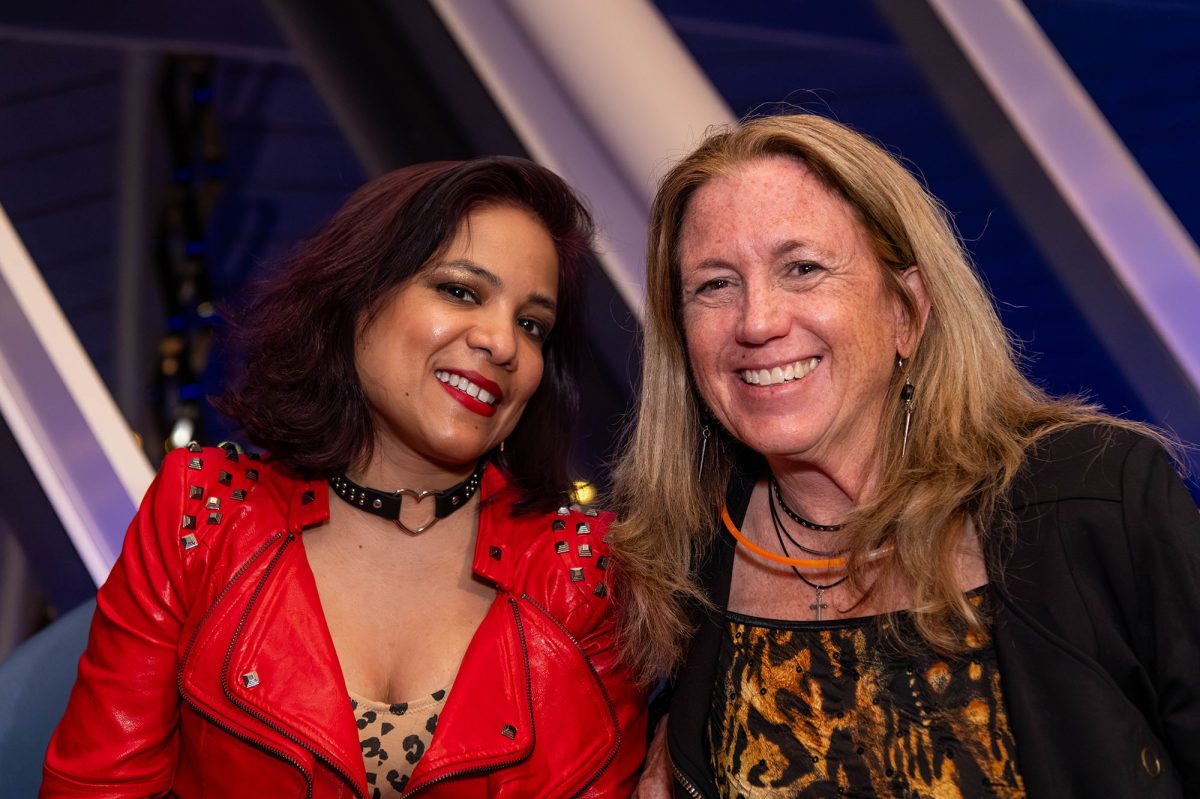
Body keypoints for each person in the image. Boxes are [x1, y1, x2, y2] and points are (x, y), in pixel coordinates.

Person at [610, 114, 1200, 798]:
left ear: (907, 311)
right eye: (715, 284)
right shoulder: (684, 563)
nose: (758, 321)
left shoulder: (1096, 499)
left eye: (803, 268)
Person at [42, 157, 646, 798]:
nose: (503, 343)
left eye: (531, 325)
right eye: (461, 292)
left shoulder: (583, 573)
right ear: (359, 298)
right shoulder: (202, 511)